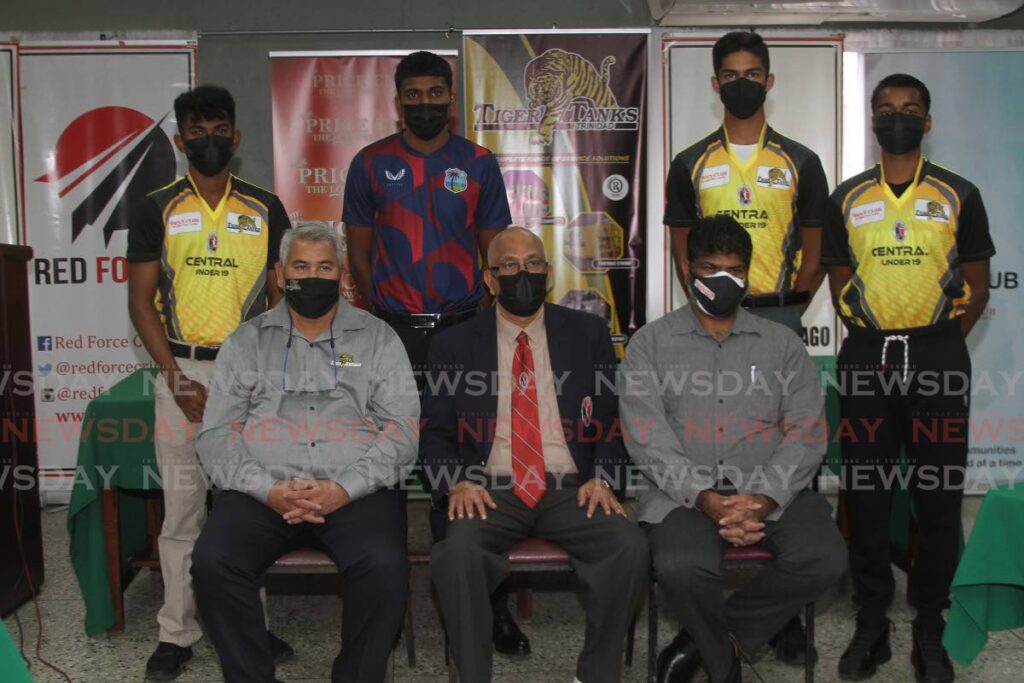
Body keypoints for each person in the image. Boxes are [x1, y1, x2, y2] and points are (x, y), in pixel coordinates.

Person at [342, 49, 528, 655]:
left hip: (461, 331)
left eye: (435, 93)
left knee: (470, 465)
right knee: (391, 465)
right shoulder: (370, 164)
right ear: (398, 101)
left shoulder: (477, 163)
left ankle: (487, 610)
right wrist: (378, 321)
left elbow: (493, 253)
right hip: (393, 333)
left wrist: (482, 326)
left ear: (451, 96)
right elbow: (360, 257)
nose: (425, 103)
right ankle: (386, 607)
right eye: (412, 95)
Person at [190, 223, 420, 683]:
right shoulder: (245, 342)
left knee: (384, 565)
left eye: (324, 267)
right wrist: (267, 489)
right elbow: (215, 435)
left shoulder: (378, 338)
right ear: (279, 274)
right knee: (213, 561)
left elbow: (403, 429)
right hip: (264, 491)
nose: (312, 277)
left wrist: (343, 488)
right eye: (300, 267)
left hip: (354, 490)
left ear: (341, 277)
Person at [621, 216, 847, 683]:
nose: (723, 281)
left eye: (735, 271)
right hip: (682, 493)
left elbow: (806, 430)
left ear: (747, 274)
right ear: (687, 269)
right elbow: (646, 435)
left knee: (824, 558)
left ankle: (705, 642)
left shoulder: (782, 343)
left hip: (771, 486)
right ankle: (724, 665)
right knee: (681, 566)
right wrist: (704, 496)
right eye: (710, 268)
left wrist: (763, 500)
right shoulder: (650, 343)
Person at [823, 74, 994, 683]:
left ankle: (929, 622)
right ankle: (872, 619)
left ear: (928, 120)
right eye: (887, 109)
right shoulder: (847, 196)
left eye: (910, 109)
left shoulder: (959, 193)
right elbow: (839, 274)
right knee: (866, 495)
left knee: (938, 498)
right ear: (872, 119)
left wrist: (940, 340)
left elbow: (976, 279)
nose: (898, 117)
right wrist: (871, 329)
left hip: (937, 357)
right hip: (868, 357)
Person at [422, 227, 649, 683]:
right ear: (489, 279)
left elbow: (610, 419)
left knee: (628, 547)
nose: (521, 273)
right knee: (457, 554)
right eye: (508, 265)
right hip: (488, 488)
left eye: (532, 263)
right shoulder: (454, 343)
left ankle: (597, 675)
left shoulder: (587, 332)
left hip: (572, 485)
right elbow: (434, 433)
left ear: (547, 273)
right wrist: (455, 482)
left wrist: (604, 476)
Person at [126, 84, 293, 681]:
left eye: (218, 127)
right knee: (183, 512)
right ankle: (176, 633)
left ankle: (248, 623)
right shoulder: (155, 207)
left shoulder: (265, 206)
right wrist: (174, 379)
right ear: (179, 140)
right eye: (195, 131)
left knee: (248, 510)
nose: (208, 139)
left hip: (249, 371)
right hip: (183, 370)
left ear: (237, 135)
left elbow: (282, 296)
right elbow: (141, 302)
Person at [664, 31, 829, 337]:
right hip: (711, 315)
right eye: (731, 75)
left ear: (769, 81)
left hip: (779, 314)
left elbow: (816, 257)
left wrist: (788, 309)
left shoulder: (802, 162)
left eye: (752, 74)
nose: (742, 83)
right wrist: (707, 305)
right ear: (716, 84)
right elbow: (683, 256)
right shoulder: (688, 163)